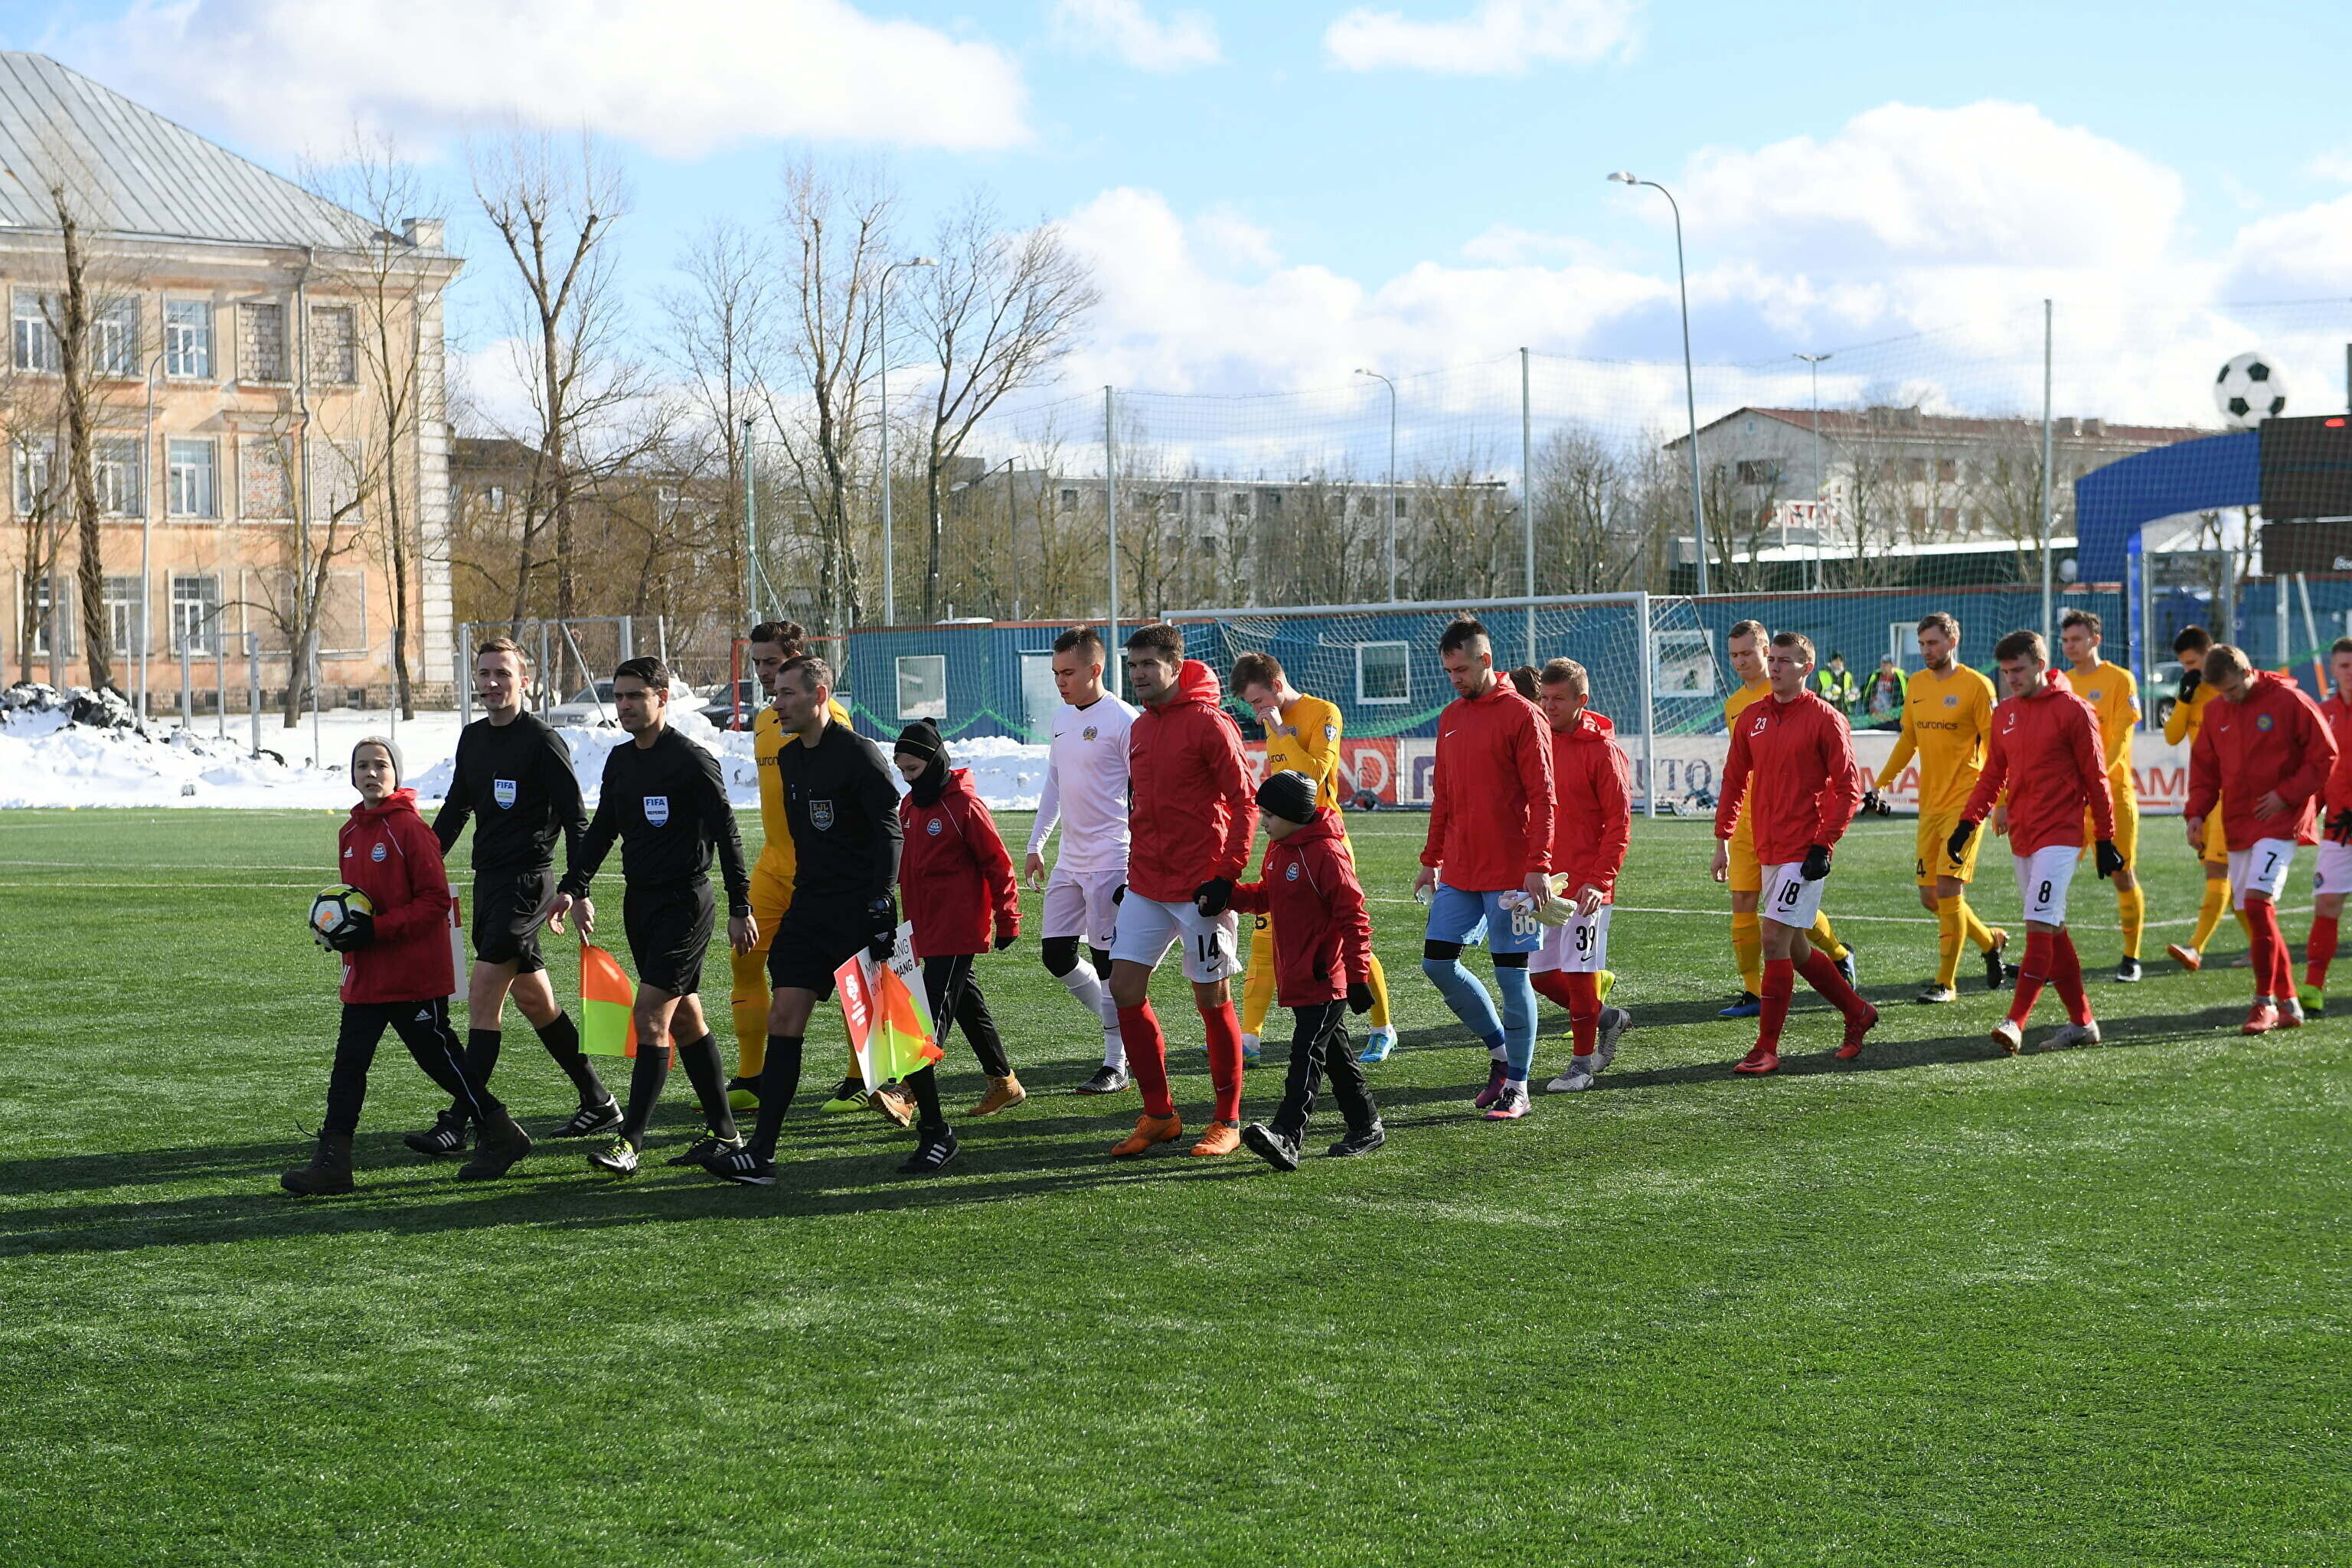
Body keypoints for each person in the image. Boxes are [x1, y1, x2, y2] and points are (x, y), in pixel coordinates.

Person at [283, 738, 534, 1194]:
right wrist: (340, 934)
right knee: (348, 1065)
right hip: (366, 974)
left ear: (397, 774)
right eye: (362, 765)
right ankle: (334, 1161)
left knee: (442, 1063)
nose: (371, 773)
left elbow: (435, 901)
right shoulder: (349, 832)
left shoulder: (411, 829)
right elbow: (357, 903)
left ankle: (500, 1131)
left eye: (381, 765)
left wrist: (375, 930)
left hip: (413, 974)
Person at [701, 655, 910, 1183]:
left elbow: (889, 831)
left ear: (820, 696)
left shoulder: (859, 753)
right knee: (784, 1018)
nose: (777, 703)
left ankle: (935, 1128)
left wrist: (882, 899)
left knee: (879, 1028)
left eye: (787, 693)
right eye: (775, 693)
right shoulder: (791, 758)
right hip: (809, 910)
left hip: (857, 910)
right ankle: (762, 1152)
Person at [409, 637, 615, 1158]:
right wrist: (422, 863)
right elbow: (456, 809)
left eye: (503, 673)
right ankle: (598, 1100)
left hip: (527, 887)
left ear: (525, 681)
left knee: (482, 1001)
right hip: (489, 884)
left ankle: (461, 1120)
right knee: (535, 1001)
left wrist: (578, 889)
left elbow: (577, 820)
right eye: (485, 674)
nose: (493, 682)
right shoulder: (473, 739)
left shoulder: (542, 741)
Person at [549, 659, 753, 1174]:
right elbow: (603, 830)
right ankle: (727, 1136)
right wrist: (573, 887)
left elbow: (728, 834)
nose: (624, 706)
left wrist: (740, 906)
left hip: (686, 905)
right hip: (640, 904)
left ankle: (630, 1142)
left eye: (635, 696)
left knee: (650, 1018)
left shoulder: (692, 760)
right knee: (685, 1019)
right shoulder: (621, 761)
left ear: (662, 698)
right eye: (619, 697)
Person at [1103, 623, 1256, 1158]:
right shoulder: (1140, 728)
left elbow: (1245, 803)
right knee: (1123, 988)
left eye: (1149, 664)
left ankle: (1227, 1120)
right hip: (1146, 883)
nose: (1139, 674)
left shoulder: (1211, 723)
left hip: (1200, 889)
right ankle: (1160, 1114)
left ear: (1175, 665)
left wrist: (1226, 876)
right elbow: (1142, 808)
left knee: (1211, 999)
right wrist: (1131, 873)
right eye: (1133, 664)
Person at [730, 621, 883, 1119]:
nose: (762, 673)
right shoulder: (765, 720)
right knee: (744, 960)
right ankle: (750, 1077)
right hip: (774, 868)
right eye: (757, 663)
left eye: (772, 663)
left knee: (850, 976)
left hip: (825, 877)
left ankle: (862, 1077)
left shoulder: (829, 717)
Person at [1949, 631, 2121, 1055]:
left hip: (2061, 834)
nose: (2012, 679)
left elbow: (2097, 778)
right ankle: (2083, 1023)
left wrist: (2105, 838)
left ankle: (2015, 1022)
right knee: (2053, 928)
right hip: (2023, 835)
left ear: (2041, 665)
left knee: (2039, 922)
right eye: (2006, 672)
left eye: (2019, 670)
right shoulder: (2005, 713)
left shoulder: (2074, 710)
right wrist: (1967, 823)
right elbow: (1994, 774)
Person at [1713, 632, 1877, 1074]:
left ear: (1807, 667)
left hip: (1804, 850)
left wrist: (1824, 844)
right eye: (1773, 659)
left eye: (1786, 660)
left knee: (1772, 939)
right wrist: (1722, 839)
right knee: (1797, 950)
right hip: (1766, 846)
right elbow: (1734, 780)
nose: (1776, 667)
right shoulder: (1752, 717)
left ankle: (1766, 1048)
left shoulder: (1826, 719)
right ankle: (1859, 1012)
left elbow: (1848, 789)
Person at [1415, 617, 1554, 1120]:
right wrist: (1431, 860)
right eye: (1449, 670)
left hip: (1512, 874)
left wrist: (1538, 865)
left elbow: (1544, 797)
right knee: (1437, 964)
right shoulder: (1451, 716)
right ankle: (1500, 1052)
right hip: (1459, 870)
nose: (1455, 678)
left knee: (1512, 978)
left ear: (1486, 661)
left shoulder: (1523, 715)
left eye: (1463, 669)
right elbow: (1444, 796)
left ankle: (1519, 1085)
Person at [1229, 651, 1397, 1065]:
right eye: (1250, 705)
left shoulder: (1323, 712)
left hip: (1324, 842)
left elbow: (1314, 775)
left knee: (1344, 936)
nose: (1256, 711)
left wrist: (1281, 731)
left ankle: (1382, 1028)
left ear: (1276, 685)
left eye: (1257, 700)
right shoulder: (1273, 722)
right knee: (1265, 933)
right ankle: (1249, 1036)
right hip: (1286, 842)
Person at [1233, 770, 1385, 1170]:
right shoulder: (1280, 848)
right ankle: (1366, 1125)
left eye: (1269, 815)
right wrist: (1226, 895)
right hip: (1300, 973)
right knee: (1335, 1056)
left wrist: (1357, 976)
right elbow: (1267, 895)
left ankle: (1286, 1135)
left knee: (1306, 1055)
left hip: (1325, 976)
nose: (1263, 823)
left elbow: (1355, 917)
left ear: (1292, 814)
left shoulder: (1327, 854)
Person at [2183, 643, 2337, 1034]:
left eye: (2234, 689)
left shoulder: (2289, 700)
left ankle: (2263, 1003)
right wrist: (2196, 814)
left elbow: (2325, 755)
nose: (2230, 697)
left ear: (2248, 671)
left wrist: (2285, 795)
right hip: (2238, 822)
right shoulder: (2216, 710)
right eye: (2223, 692)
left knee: (2256, 902)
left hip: (2281, 819)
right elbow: (2204, 770)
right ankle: (2289, 1003)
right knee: (2257, 912)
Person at [1863, 612, 2011, 1004]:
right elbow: (1908, 741)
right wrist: (1880, 784)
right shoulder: (1916, 685)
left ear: (1952, 642)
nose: (1927, 650)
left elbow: (1997, 749)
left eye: (1933, 643)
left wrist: (2001, 802)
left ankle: (1946, 983)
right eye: (1922, 644)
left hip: (1967, 803)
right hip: (1929, 804)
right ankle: (1989, 941)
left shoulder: (1977, 686)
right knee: (1930, 897)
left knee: (1947, 888)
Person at [1023, 626, 1139, 1096]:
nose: (1060, 681)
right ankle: (1127, 1028)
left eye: (1068, 672)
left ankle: (1117, 1060)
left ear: (1096, 669)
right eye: (1055, 672)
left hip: (1112, 859)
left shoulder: (1124, 719)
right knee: (1056, 955)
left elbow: (1141, 794)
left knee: (1108, 963)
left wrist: (1140, 858)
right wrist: (1036, 844)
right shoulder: (1060, 718)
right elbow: (1054, 784)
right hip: (1070, 861)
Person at [893, 718, 1024, 1118]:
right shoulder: (909, 806)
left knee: (931, 1008)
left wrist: (1008, 917)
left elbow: (998, 864)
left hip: (957, 926)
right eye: (902, 771)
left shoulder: (965, 806)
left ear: (934, 761)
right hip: (924, 927)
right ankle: (1004, 1082)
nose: (908, 778)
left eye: (913, 769)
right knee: (966, 1004)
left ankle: (907, 1091)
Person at [1522, 658, 1633, 1094]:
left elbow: (1619, 824)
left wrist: (1600, 881)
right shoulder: (1538, 741)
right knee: (1539, 975)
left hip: (1587, 886)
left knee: (1580, 972)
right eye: (1544, 698)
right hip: (1546, 881)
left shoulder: (1603, 751)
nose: (1549, 706)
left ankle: (1581, 1066)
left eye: (1558, 699)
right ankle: (1608, 1018)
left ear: (1581, 700)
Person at [2056, 609, 2145, 982]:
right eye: (2065, 640)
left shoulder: (2120, 680)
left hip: (2112, 797)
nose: (2070, 646)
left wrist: (2091, 779)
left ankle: (2131, 957)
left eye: (2077, 639)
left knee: (2122, 875)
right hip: (2069, 802)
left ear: (2096, 640)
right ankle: (2051, 959)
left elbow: (2121, 741)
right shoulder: (2061, 683)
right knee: (2053, 876)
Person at [2162, 626, 2236, 972]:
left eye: (2193, 662)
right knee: (2229, 878)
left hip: (2231, 793)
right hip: (2206, 794)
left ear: (2211, 653)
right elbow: (2173, 736)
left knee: (2218, 869)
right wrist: (2183, 698)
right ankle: (2262, 946)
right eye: (2184, 665)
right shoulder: (2192, 692)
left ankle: (2196, 948)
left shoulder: (2228, 689)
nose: (2189, 670)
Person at [2303, 637, 2352, 1017]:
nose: (2351, 673)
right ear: (2333, 669)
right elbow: (2316, 773)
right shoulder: (2323, 715)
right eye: (2345, 666)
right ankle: (2313, 986)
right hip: (2339, 828)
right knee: (2327, 903)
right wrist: (2307, 815)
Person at [1862, 655, 1905, 730]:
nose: (1883, 666)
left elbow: (1905, 697)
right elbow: (1866, 693)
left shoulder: (1901, 678)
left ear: (1893, 665)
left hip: (1892, 721)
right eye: (1882, 664)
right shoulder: (1875, 677)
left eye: (1886, 664)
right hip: (1875, 719)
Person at [1813, 651, 1859, 716]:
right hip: (1827, 710)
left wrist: (1851, 700)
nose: (1838, 662)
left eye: (1840, 661)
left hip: (1844, 711)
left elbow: (1852, 691)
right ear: (1831, 662)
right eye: (1836, 661)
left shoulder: (1848, 675)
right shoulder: (1822, 674)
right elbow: (1816, 693)